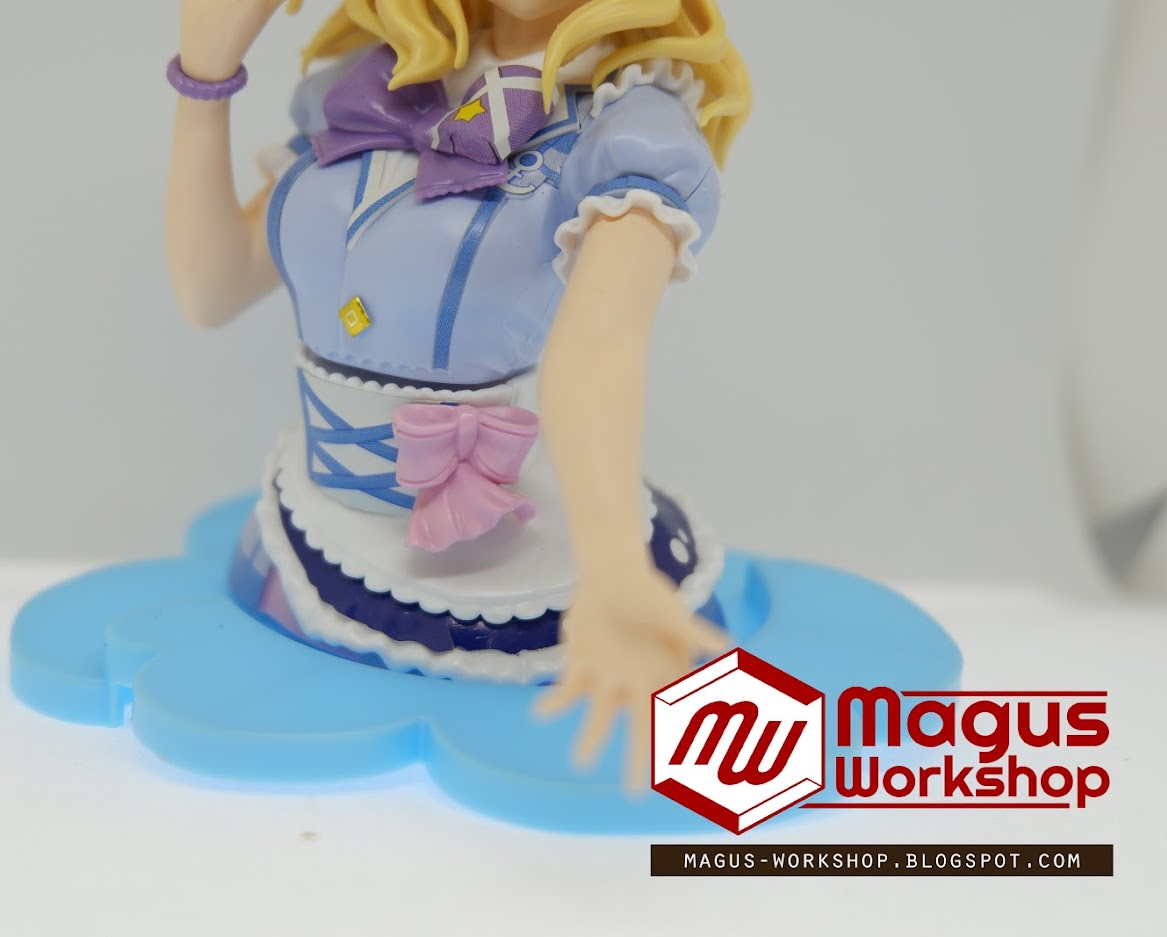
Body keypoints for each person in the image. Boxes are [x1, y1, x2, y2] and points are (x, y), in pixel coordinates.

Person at [165, 0, 751, 786]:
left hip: (486, 557)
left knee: (544, 777)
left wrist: (612, 568)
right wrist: (204, 78)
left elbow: (599, 343)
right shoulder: (374, 81)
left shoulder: (627, 130)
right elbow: (212, 289)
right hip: (309, 520)